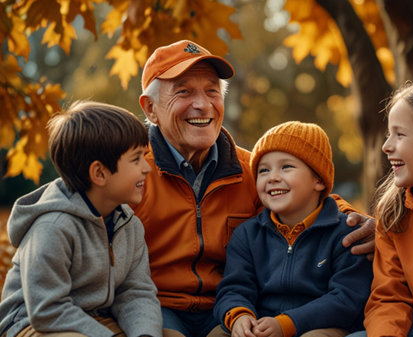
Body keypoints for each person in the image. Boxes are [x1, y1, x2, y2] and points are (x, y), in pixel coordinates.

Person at [133, 39, 375, 337]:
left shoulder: (251, 171)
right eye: (184, 91)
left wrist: (352, 218)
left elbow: (304, 203)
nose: (202, 104)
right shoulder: (132, 171)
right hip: (159, 306)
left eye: (212, 91)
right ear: (151, 108)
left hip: (227, 309)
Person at [0, 101, 163, 337]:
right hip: (31, 324)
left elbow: (135, 293)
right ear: (99, 173)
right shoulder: (53, 227)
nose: (147, 168)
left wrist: (145, 335)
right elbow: (47, 309)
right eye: (136, 159)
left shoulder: (128, 224)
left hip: (93, 317)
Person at [211, 121, 373, 337]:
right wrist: (240, 316)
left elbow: (346, 298)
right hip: (263, 324)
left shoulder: (345, 234)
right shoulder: (248, 235)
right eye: (263, 170)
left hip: (321, 325)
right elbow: (234, 287)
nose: (273, 177)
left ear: (319, 180)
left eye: (286, 167)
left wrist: (287, 324)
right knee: (218, 334)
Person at [347, 76, 413, 337]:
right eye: (388, 134)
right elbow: (388, 296)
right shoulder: (394, 214)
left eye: (400, 134)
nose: (386, 146)